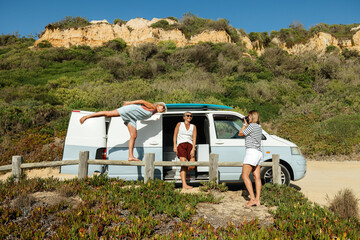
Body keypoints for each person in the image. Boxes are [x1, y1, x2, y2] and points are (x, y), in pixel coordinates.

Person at [80, 100, 167, 161]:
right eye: (162, 107)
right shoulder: (153, 107)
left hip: (132, 118)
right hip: (130, 110)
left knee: (134, 136)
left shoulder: (152, 113)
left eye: (163, 109)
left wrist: (155, 120)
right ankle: (87, 116)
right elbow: (142, 101)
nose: (162, 109)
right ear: (158, 105)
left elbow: (143, 121)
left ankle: (130, 156)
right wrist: (129, 103)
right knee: (108, 114)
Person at [238, 110, 263, 207]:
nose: (247, 118)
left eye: (249, 116)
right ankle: (257, 199)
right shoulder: (259, 127)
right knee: (257, 177)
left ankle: (252, 198)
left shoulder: (251, 126)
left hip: (251, 152)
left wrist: (244, 124)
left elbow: (240, 134)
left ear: (252, 117)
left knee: (245, 176)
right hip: (258, 153)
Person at [173, 112, 197, 189]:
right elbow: (175, 135)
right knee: (183, 164)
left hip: (190, 145)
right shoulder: (179, 124)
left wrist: (193, 148)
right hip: (181, 145)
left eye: (191, 116)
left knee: (192, 165)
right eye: (187, 115)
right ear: (184, 117)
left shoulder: (193, 126)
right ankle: (184, 184)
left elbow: (194, 138)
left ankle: (183, 173)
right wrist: (175, 146)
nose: (189, 117)